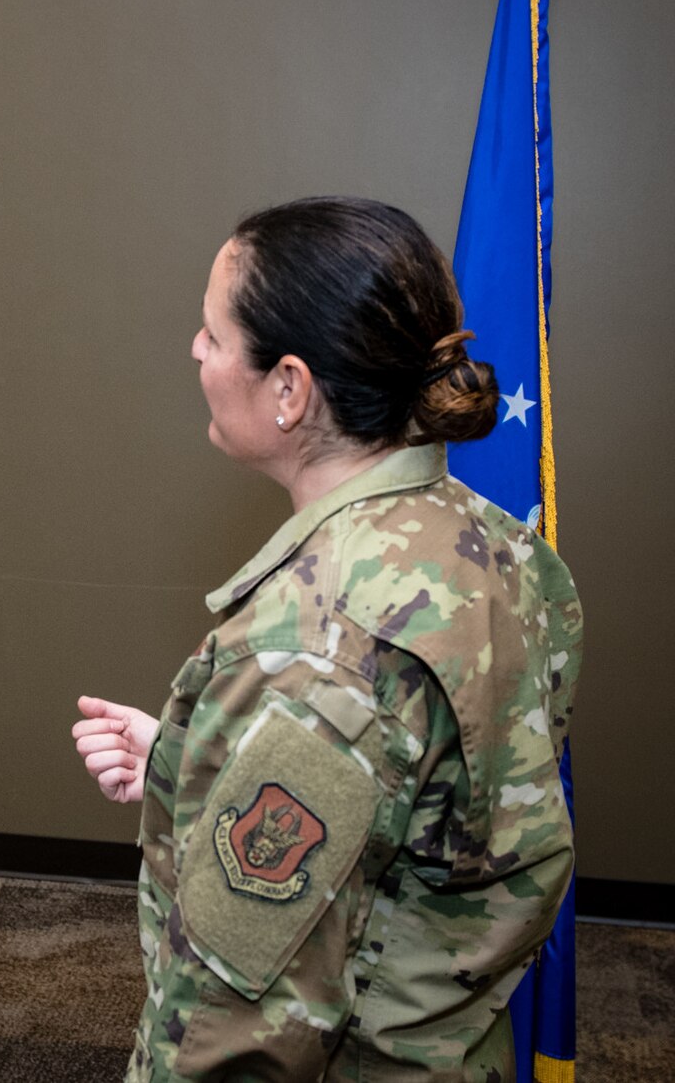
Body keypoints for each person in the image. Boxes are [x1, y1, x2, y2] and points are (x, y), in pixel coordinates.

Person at [72, 196, 582, 1080]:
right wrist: (199, 754)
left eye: (214, 335)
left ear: (289, 388)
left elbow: (235, 1034)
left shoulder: (315, 648)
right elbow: (427, 811)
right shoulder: (498, 545)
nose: (197, 351)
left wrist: (273, 720)